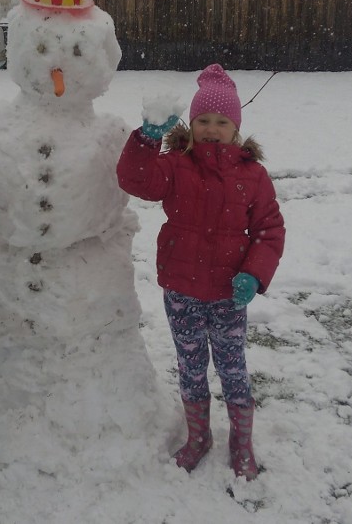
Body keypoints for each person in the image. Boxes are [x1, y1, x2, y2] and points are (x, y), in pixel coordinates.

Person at [116, 64, 285, 479]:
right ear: (190, 125)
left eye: (222, 122)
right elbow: (136, 181)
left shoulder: (253, 174)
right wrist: (147, 139)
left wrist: (254, 273)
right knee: (190, 365)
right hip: (182, 290)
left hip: (229, 293)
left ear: (236, 127)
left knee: (232, 368)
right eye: (203, 121)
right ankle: (198, 437)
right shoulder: (176, 165)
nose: (212, 129)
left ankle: (241, 443)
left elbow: (269, 229)